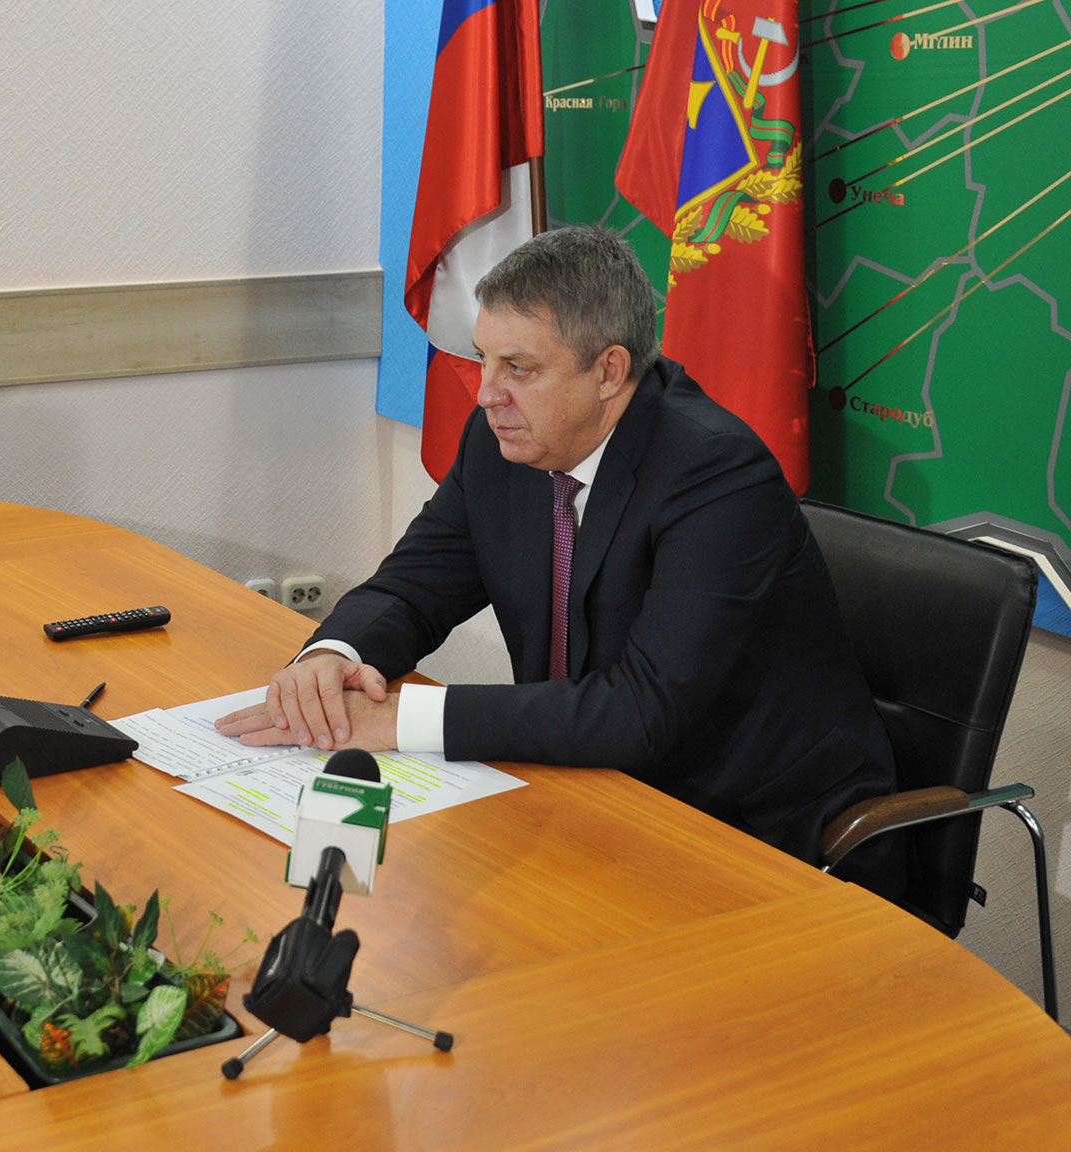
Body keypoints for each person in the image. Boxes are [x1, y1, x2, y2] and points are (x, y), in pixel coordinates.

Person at [216, 227, 898, 876]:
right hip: (587, 794)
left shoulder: (715, 475)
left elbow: (640, 712)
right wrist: (332, 658)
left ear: (608, 371)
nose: (488, 395)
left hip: (751, 829)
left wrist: (399, 719)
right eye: (483, 359)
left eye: (519, 368)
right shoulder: (502, 444)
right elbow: (412, 588)